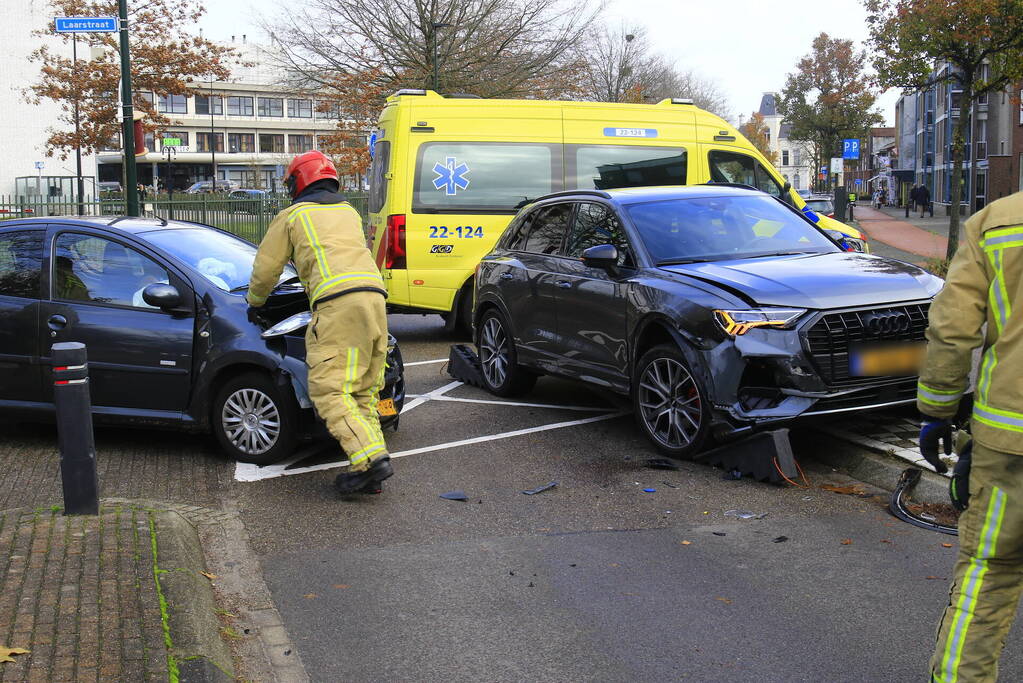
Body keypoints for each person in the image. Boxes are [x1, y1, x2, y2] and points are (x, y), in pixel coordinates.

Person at [916, 191, 1023, 682]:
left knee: (989, 573)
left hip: (1010, 442)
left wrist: (937, 410)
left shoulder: (997, 223)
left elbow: (953, 329)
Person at [246, 150, 393, 495]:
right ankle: (368, 468)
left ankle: (371, 460)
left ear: (298, 182)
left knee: (329, 390)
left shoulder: (292, 216)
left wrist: (255, 302)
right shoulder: (348, 211)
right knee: (362, 390)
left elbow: (266, 269)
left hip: (338, 306)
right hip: (375, 301)